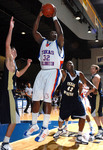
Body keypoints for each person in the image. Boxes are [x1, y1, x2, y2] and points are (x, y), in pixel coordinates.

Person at [24, 6, 64, 142]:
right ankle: (34, 125)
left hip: (54, 72)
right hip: (42, 72)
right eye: (52, 32)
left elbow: (61, 34)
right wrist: (39, 15)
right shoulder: (43, 42)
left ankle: (45, 127)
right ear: (48, 35)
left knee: (47, 98)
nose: (54, 33)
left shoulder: (58, 44)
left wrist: (54, 17)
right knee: (36, 98)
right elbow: (34, 31)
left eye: (55, 33)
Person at [0, 17, 32, 150]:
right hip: (8, 92)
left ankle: (5, 142)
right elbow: (7, 45)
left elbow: (18, 75)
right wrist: (11, 28)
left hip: (9, 93)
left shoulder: (14, 66)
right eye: (12, 50)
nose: (14, 51)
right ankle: (5, 143)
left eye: (14, 50)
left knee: (13, 119)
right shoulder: (9, 61)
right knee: (14, 120)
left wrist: (28, 65)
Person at [53, 61, 97, 144]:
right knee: (61, 117)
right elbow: (56, 69)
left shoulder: (79, 73)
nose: (69, 64)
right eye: (67, 64)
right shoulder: (64, 73)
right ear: (65, 67)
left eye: (71, 63)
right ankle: (59, 130)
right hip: (66, 100)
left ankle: (79, 135)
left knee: (83, 115)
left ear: (73, 65)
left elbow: (86, 81)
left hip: (75, 99)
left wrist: (93, 87)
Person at [88, 64, 103, 139]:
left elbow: (95, 89)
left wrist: (87, 92)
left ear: (96, 70)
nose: (91, 69)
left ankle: (100, 130)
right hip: (94, 97)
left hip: (97, 97)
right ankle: (100, 129)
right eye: (91, 68)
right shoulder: (92, 77)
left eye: (93, 68)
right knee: (95, 114)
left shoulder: (96, 77)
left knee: (97, 114)